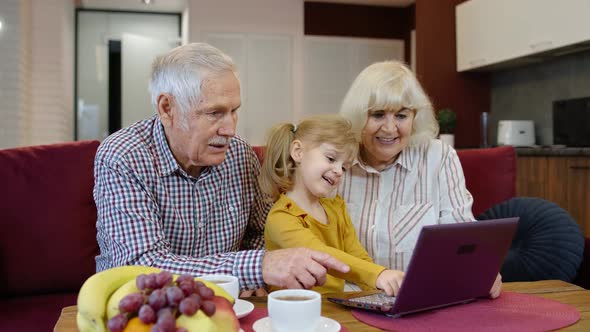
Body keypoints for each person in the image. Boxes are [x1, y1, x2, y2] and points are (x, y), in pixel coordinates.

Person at [93, 42, 349, 294]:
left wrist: (250, 281)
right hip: (147, 305)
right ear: (167, 108)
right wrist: (255, 268)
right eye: (214, 113)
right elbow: (143, 268)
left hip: (229, 302)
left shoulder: (239, 154)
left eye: (234, 111)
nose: (230, 129)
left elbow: (261, 231)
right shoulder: (123, 157)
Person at [337, 60, 502, 298]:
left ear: (415, 118)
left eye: (401, 115)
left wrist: (481, 269)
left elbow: (462, 235)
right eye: (378, 114)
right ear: (358, 116)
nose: (390, 128)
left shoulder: (439, 156)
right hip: (348, 299)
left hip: (422, 299)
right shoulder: (336, 161)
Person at [259, 114, 405, 296]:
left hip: (333, 307)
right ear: (298, 152)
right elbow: (320, 254)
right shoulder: (281, 217)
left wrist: (382, 290)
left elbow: (358, 256)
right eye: (330, 158)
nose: (338, 171)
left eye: (344, 167)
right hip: (294, 308)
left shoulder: (336, 207)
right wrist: (378, 275)